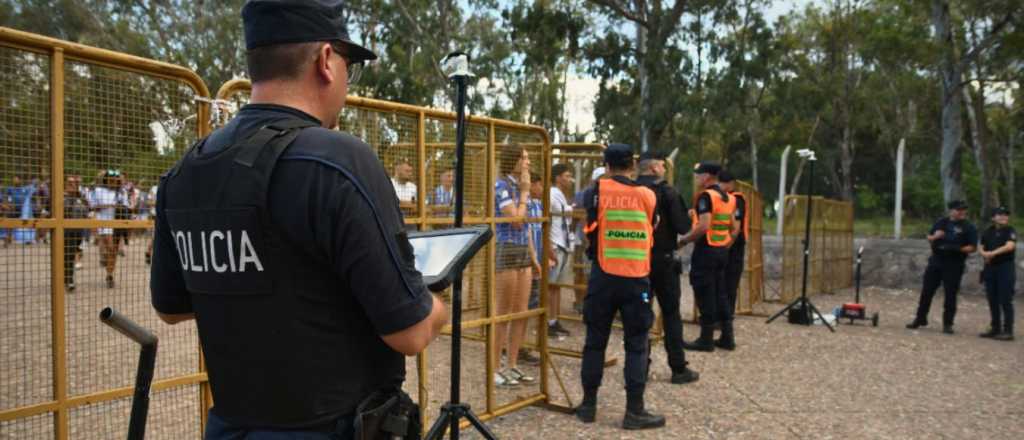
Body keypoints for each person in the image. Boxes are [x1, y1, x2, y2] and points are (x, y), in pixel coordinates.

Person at [149, 2, 448, 438]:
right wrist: (439, 302)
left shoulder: (186, 172)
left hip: (231, 427)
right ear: (326, 60)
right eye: (348, 65)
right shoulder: (339, 162)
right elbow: (411, 332)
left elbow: (171, 307)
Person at [575, 143, 664, 430]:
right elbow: (653, 227)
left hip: (603, 276)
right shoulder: (648, 195)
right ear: (633, 165)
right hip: (636, 278)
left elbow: (589, 230)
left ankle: (588, 406)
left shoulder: (596, 191)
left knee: (594, 342)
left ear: (606, 165)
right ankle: (634, 411)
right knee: (637, 345)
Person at [635, 151, 700, 383]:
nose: (664, 169)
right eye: (662, 165)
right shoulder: (667, 192)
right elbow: (683, 227)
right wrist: (689, 216)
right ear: (654, 168)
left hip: (637, 262)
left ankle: (639, 367)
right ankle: (678, 368)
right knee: (671, 314)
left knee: (641, 313)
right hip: (663, 262)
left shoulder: (631, 191)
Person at [679, 162, 738, 352]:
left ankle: (706, 340)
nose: (696, 179)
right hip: (721, 250)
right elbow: (733, 227)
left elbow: (704, 226)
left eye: (698, 175)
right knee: (720, 293)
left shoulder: (706, 196)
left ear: (706, 177)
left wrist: (684, 240)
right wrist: (724, 245)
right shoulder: (729, 198)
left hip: (706, 251)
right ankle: (727, 337)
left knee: (705, 293)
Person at [493, 146, 536, 387]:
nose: (528, 162)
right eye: (524, 158)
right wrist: (525, 192)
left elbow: (527, 225)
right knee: (503, 313)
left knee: (521, 311)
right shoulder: (502, 186)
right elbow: (516, 219)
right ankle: (494, 368)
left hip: (522, 250)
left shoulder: (520, 187)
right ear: (514, 160)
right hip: (507, 247)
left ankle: (512, 364)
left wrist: (534, 258)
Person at [907, 200, 978, 334]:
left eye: (964, 209)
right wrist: (935, 237)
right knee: (927, 291)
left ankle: (948, 323)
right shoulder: (941, 222)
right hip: (937, 260)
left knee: (950, 294)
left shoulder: (969, 227)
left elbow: (973, 247)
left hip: (954, 263)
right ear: (951, 211)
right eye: (959, 210)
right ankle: (920, 318)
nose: (962, 212)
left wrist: (957, 249)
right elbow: (929, 237)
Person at [979, 206, 1016, 341]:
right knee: (992, 299)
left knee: (1005, 299)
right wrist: (984, 254)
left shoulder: (1009, 230)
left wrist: (992, 253)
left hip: (1005, 267)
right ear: (993, 218)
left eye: (1006, 214)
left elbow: (1010, 246)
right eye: (1000, 214)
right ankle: (995, 328)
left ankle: (1008, 331)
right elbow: (981, 246)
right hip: (990, 268)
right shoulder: (988, 231)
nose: (1004, 217)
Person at [718, 170, 745, 350]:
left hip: (733, 247)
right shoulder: (724, 198)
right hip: (725, 245)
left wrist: (727, 245)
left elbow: (736, 226)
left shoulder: (736, 199)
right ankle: (722, 320)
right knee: (722, 285)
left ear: (729, 184)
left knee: (729, 285)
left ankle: (726, 320)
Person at [547, 163, 575, 337]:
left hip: (564, 244)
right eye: (567, 176)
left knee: (556, 286)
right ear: (558, 178)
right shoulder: (551, 194)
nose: (570, 179)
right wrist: (549, 245)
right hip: (555, 244)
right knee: (550, 285)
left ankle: (554, 320)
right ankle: (547, 322)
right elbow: (548, 220)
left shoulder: (561, 195)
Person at [90, 169, 122, 288]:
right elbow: (93, 206)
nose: (113, 181)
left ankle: (110, 274)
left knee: (113, 252)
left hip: (118, 223)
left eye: (115, 179)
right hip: (103, 222)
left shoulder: (120, 192)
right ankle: (103, 255)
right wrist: (108, 205)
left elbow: (128, 206)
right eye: (111, 179)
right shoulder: (98, 191)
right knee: (110, 248)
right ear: (106, 180)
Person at [63, 175, 89, 292]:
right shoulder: (61, 198)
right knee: (67, 256)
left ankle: (67, 278)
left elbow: (87, 211)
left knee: (71, 255)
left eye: (75, 183)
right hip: (65, 231)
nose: (73, 185)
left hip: (78, 231)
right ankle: (69, 280)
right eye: (70, 183)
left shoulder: (81, 198)